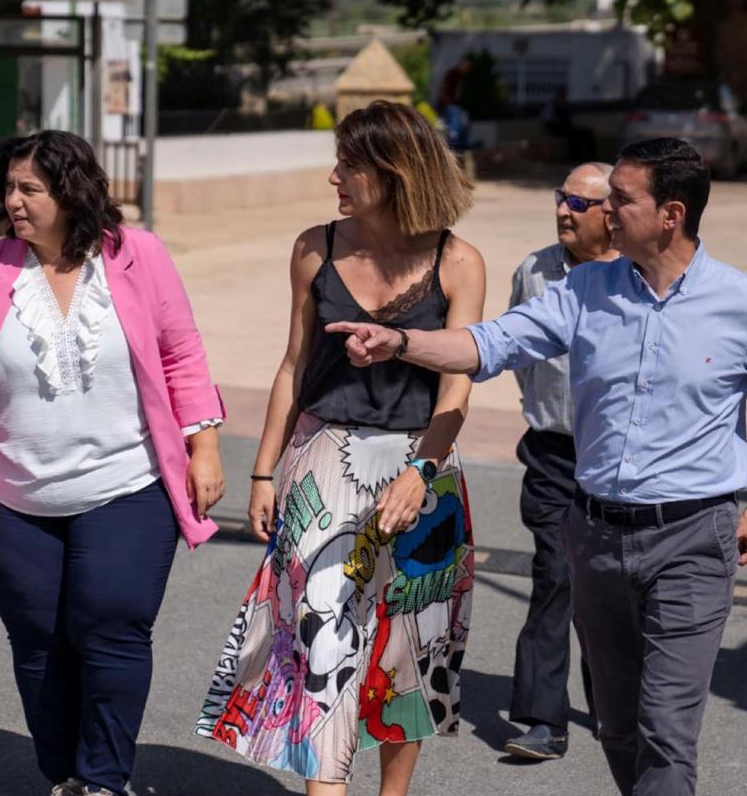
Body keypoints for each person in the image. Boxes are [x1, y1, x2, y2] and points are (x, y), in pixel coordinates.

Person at [328, 137, 747, 796]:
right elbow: (491, 343)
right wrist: (402, 342)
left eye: (621, 199)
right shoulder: (583, 288)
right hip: (596, 534)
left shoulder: (736, 304)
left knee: (666, 729)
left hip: (692, 540)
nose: (605, 211)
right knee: (618, 726)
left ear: (671, 214)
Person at [0, 130, 225, 796]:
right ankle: (63, 772)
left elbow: (182, 353)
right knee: (37, 644)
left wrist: (204, 443)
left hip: (128, 483)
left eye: (31, 188)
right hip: (15, 494)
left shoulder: (137, 256)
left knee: (112, 624)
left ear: (71, 191)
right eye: (9, 187)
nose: (14, 200)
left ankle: (103, 777)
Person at [195, 100, 485, 796]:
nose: (336, 176)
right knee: (322, 635)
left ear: (394, 170)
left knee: (411, 650)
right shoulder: (315, 247)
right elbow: (293, 366)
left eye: (351, 164)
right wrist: (263, 472)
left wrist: (422, 471)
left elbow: (457, 389)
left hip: (426, 467)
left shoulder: (458, 261)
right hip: (323, 461)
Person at [502, 163, 617, 761]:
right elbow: (519, 352)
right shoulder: (533, 271)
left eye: (578, 201)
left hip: (621, 458)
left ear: (611, 213)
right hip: (552, 453)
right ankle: (542, 720)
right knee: (554, 577)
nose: (564, 210)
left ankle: (613, 704)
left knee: (610, 587)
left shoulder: (634, 274)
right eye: (560, 197)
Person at [540, 86, 595, 163]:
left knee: (587, 133)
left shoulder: (566, 105)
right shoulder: (552, 105)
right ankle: (575, 159)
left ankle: (591, 158)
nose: (564, 95)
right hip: (557, 130)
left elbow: (571, 121)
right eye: (562, 93)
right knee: (574, 136)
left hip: (568, 129)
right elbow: (547, 120)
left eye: (564, 93)